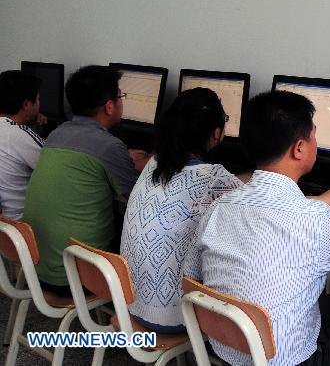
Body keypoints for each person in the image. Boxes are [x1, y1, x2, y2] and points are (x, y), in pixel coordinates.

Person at [182, 90, 330, 366]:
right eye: (314, 135)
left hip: (227, 351)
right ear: (300, 148)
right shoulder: (314, 220)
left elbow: (190, 279)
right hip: (293, 360)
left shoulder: (220, 207)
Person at [120, 88, 242, 333]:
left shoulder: (153, 163)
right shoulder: (212, 177)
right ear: (217, 133)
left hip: (131, 305)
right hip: (175, 317)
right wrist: (320, 199)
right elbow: (262, 199)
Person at [23, 65, 144, 295]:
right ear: (109, 106)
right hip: (75, 277)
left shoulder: (57, 134)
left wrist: (123, 159)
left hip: (37, 267)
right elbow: (136, 200)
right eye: (120, 96)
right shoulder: (110, 147)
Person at [0, 70, 45, 219]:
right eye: (38, 100)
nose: (40, 105)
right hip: (17, 227)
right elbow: (53, 165)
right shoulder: (18, 134)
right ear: (26, 104)